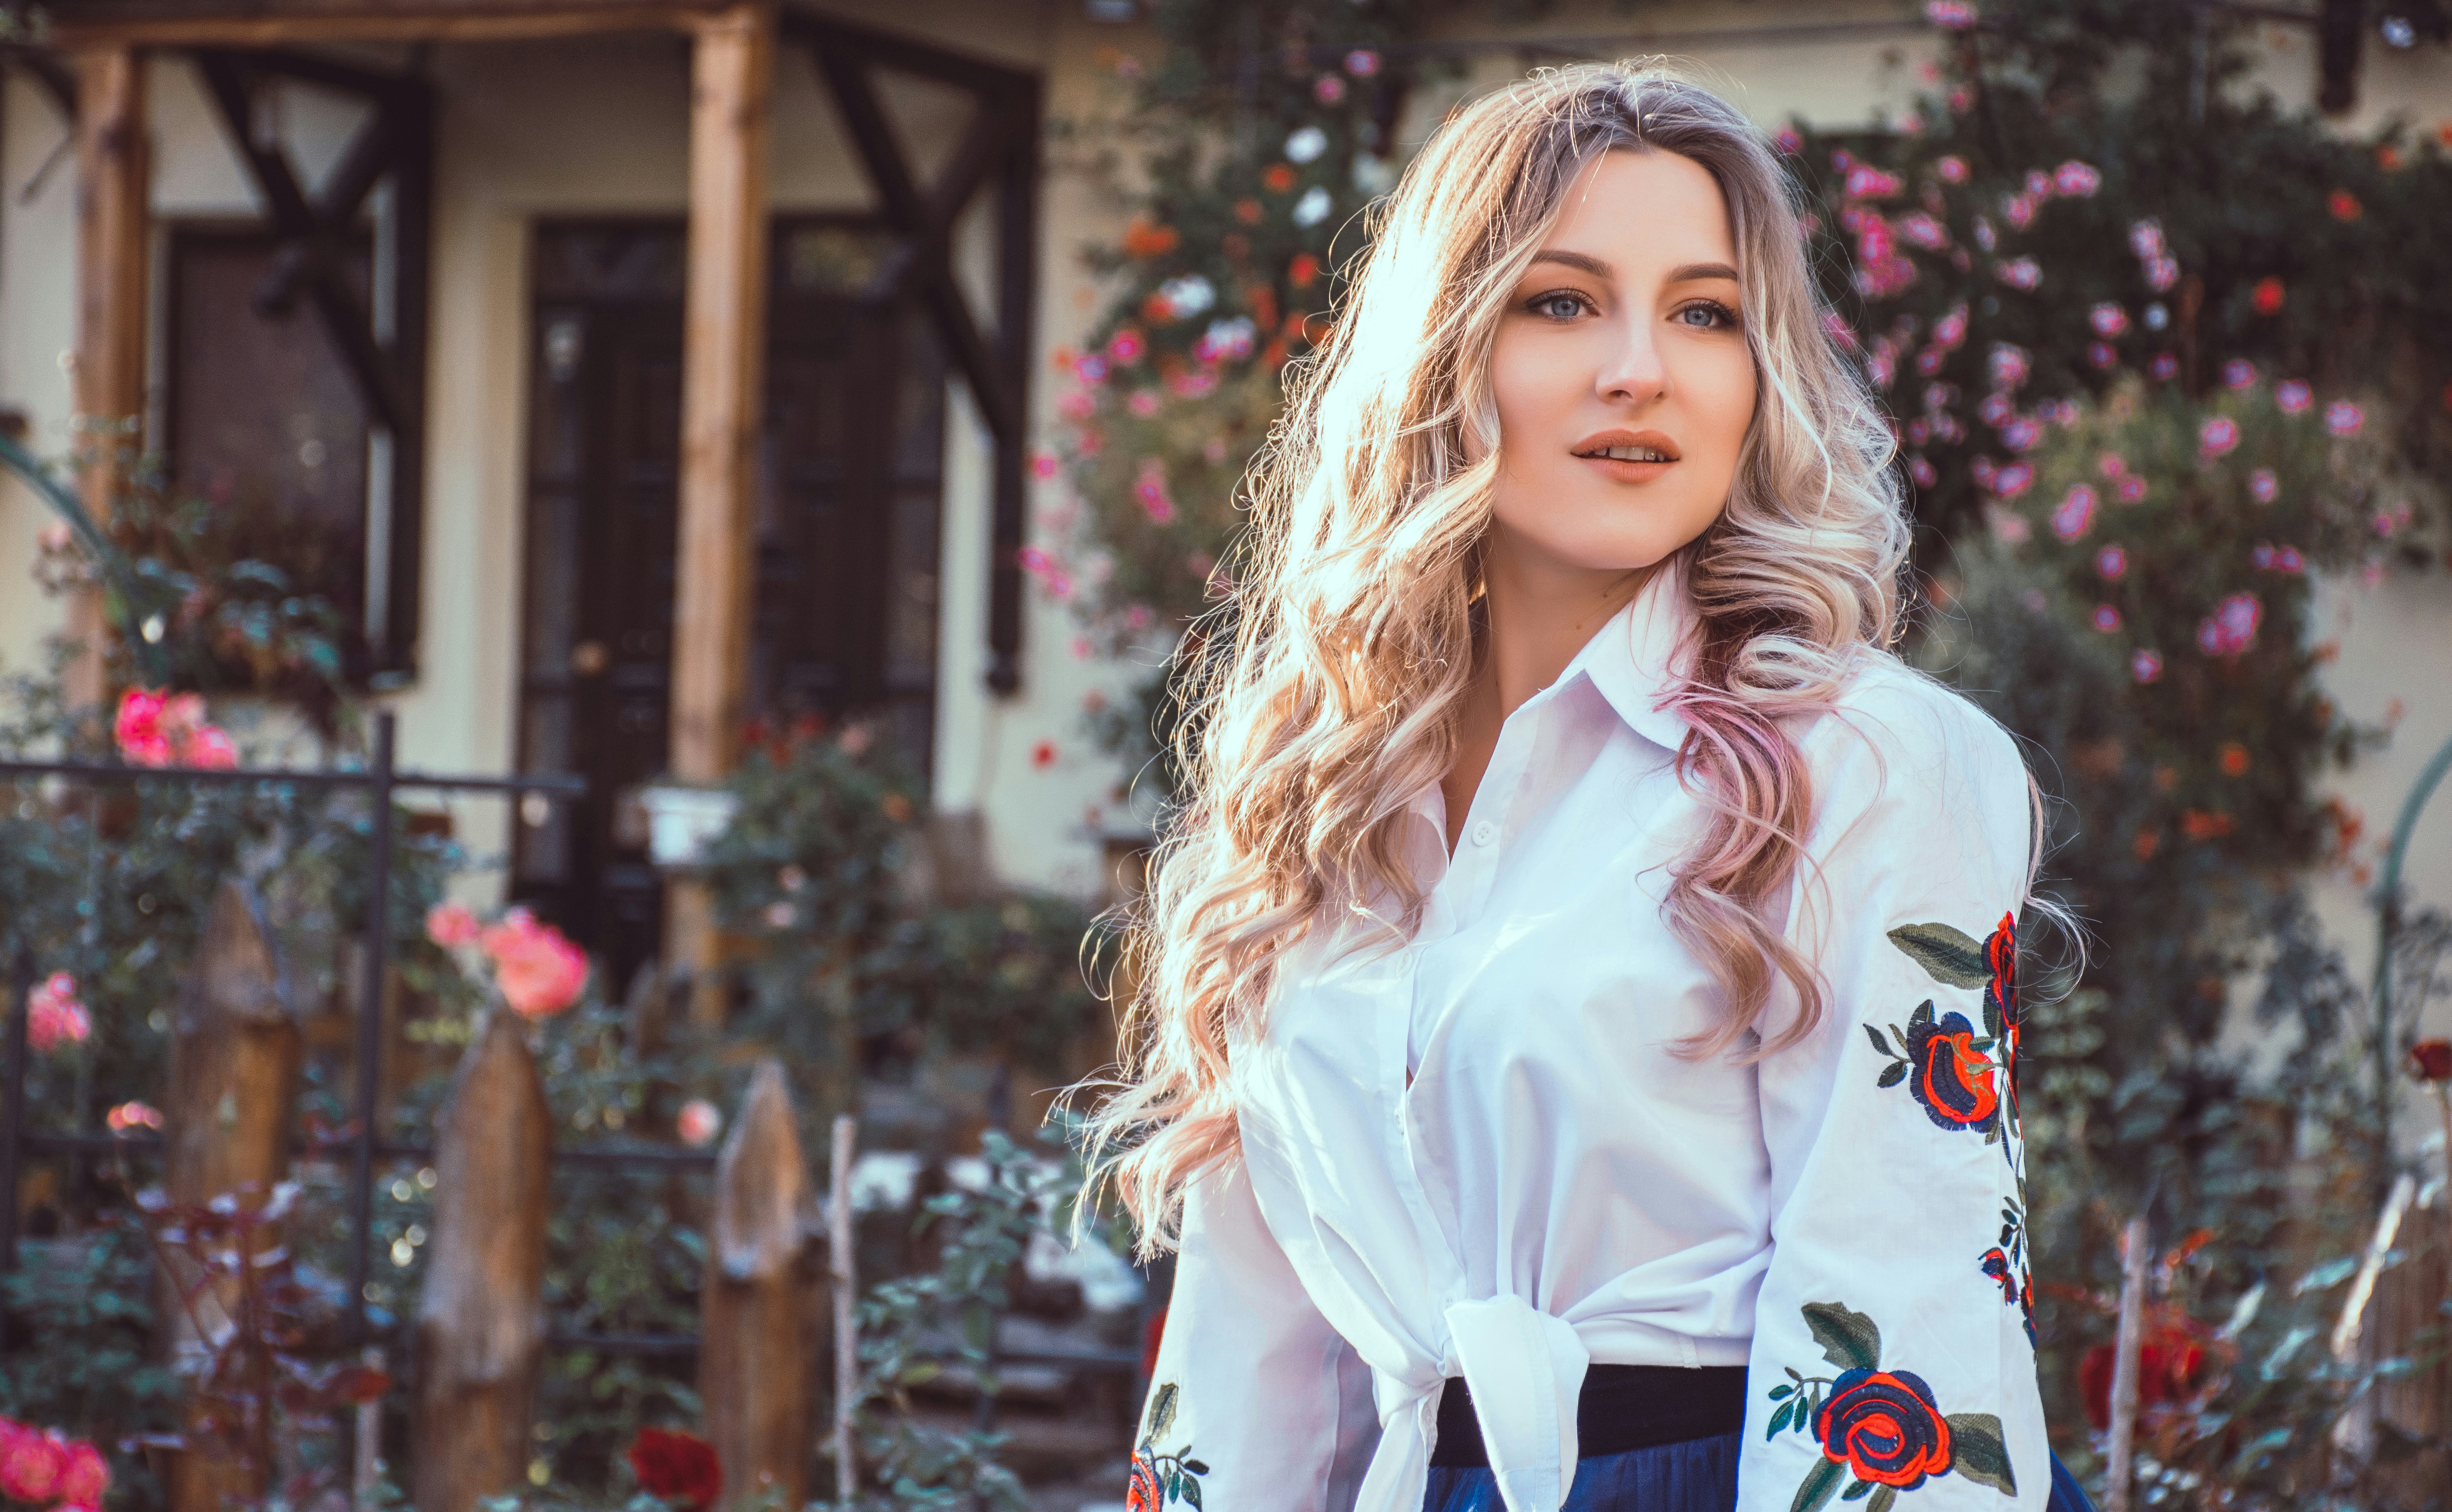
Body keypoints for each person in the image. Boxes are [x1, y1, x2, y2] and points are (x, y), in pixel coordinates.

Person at [1083, 62, 2092, 1512]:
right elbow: (1250, 1354)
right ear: (1445, 353)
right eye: (1562, 302)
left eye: (1706, 313)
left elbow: (1908, 1292)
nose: (1642, 369)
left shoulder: (1865, 762)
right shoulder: (1321, 802)